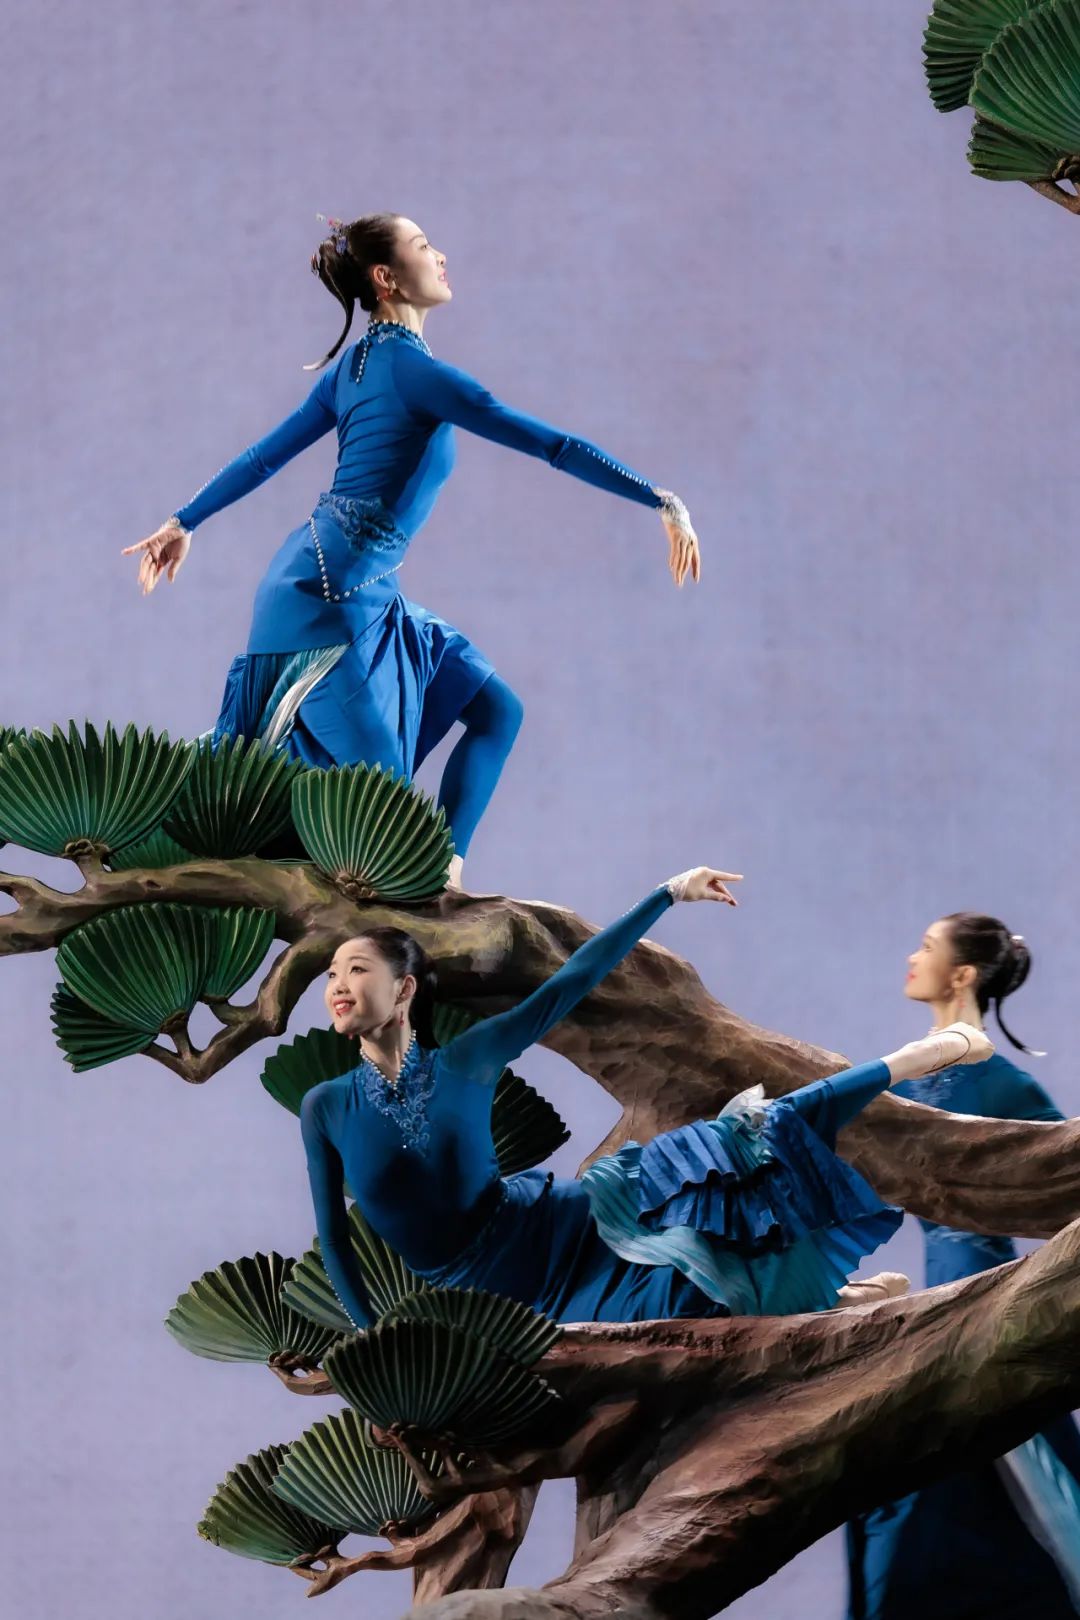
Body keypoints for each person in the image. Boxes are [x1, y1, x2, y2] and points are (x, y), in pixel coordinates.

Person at [123, 213, 701, 886]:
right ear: (386, 277)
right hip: (330, 601)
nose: (441, 255)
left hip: (354, 586)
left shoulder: (359, 366)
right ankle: (183, 844)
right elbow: (554, 446)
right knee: (380, 821)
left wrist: (184, 521)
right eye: (424, 246)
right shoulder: (411, 372)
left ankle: (444, 875)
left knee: (496, 711)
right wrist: (662, 500)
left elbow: (261, 459)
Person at [299, 867, 989, 1332]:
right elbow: (335, 1240)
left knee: (738, 1146)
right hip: (492, 1299)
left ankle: (909, 1060)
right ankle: (840, 1299)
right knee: (676, 1312)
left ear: (404, 989)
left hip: (556, 1227)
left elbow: (573, 981)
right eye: (331, 974)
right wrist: (371, 1345)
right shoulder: (326, 1106)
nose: (337, 986)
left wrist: (667, 894)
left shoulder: (468, 1059)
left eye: (355, 969)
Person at [845, 911, 1080, 1620]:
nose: (911, 957)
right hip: (927, 1310)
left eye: (926, 947)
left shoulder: (1001, 1084)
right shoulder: (907, 1073)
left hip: (990, 1311)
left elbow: (1067, 1179)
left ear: (963, 974)